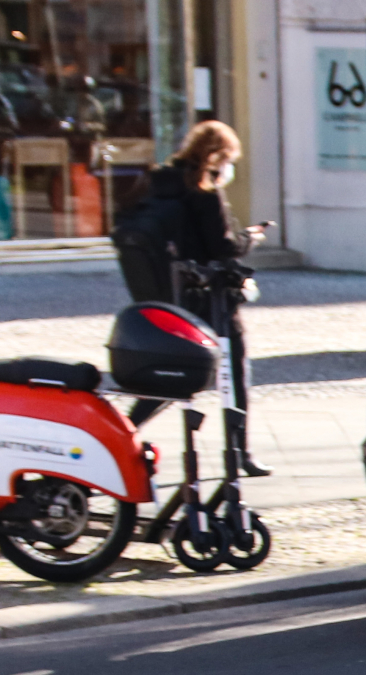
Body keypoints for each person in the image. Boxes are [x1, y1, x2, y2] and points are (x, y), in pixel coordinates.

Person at [113, 120, 272, 465]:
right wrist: (252, 236)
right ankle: (239, 451)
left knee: (169, 374)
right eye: (230, 160)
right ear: (219, 156)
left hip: (167, 296)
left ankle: (121, 430)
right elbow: (223, 246)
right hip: (207, 296)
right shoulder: (204, 190)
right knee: (234, 372)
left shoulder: (157, 182)